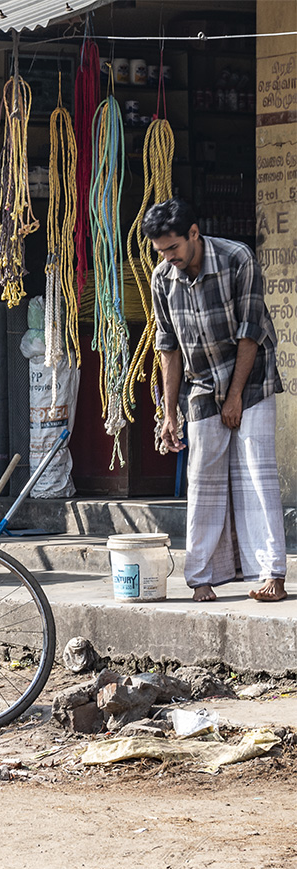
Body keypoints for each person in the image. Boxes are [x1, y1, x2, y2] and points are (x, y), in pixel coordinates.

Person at [145, 197, 287, 603]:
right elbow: (167, 348)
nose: (168, 257)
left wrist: (237, 395)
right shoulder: (161, 279)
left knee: (257, 473)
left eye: (173, 247)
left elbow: (250, 331)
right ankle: (201, 575)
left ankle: (272, 572)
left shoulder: (237, 258)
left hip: (252, 377)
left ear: (194, 234)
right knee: (202, 477)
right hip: (201, 384)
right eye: (161, 251)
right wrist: (168, 414)